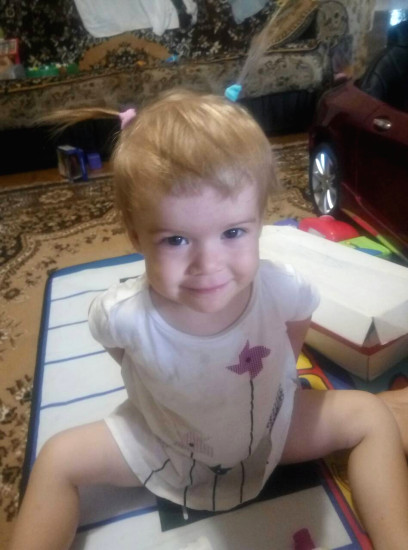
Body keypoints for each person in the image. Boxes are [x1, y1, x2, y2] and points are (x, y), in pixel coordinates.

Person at [9, 89, 408, 550]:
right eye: (176, 240)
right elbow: (123, 353)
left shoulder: (282, 286)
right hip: (163, 444)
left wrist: (281, 376)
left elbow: (297, 322)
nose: (208, 263)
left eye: (233, 232)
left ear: (259, 222)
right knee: (57, 458)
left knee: (372, 416)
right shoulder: (123, 313)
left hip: (270, 431)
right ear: (136, 235)